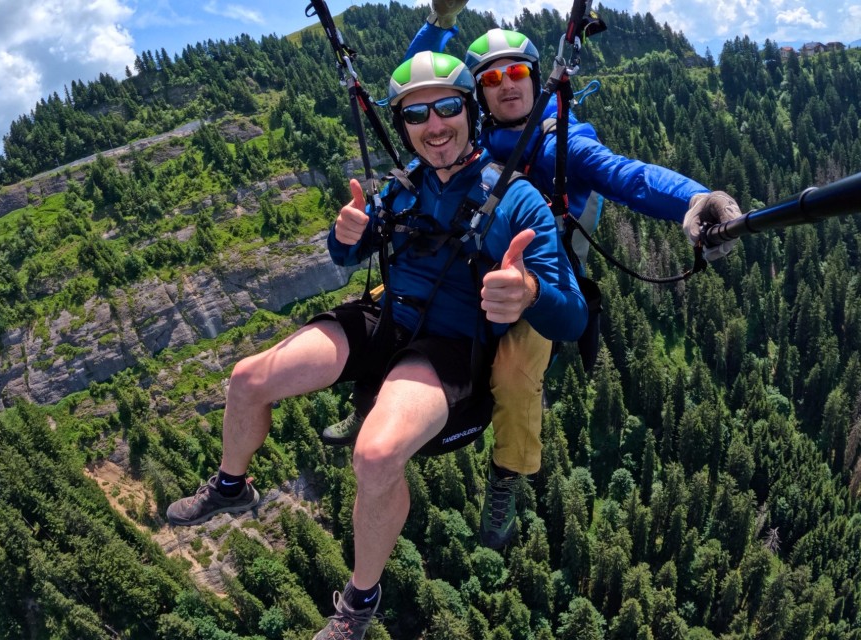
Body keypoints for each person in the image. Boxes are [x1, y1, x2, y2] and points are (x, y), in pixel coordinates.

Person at [167, 51, 587, 639]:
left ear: (470, 112)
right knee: (247, 378)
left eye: (446, 108)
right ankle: (231, 486)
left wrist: (530, 291)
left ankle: (357, 604)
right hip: (384, 318)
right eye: (416, 115)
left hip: (446, 346)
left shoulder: (516, 200)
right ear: (404, 127)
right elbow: (350, 253)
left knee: (376, 455)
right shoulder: (402, 189)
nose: (434, 126)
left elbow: (573, 317)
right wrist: (345, 237)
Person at [322, 2, 744, 551]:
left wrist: (694, 199)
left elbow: (627, 176)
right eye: (491, 78)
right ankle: (370, 409)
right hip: (463, 265)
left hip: (535, 284)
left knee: (516, 369)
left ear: (536, 77)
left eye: (517, 72)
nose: (507, 85)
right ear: (475, 94)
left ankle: (508, 472)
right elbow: (415, 95)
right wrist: (438, 26)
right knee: (392, 304)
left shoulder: (559, 142)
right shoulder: (468, 136)